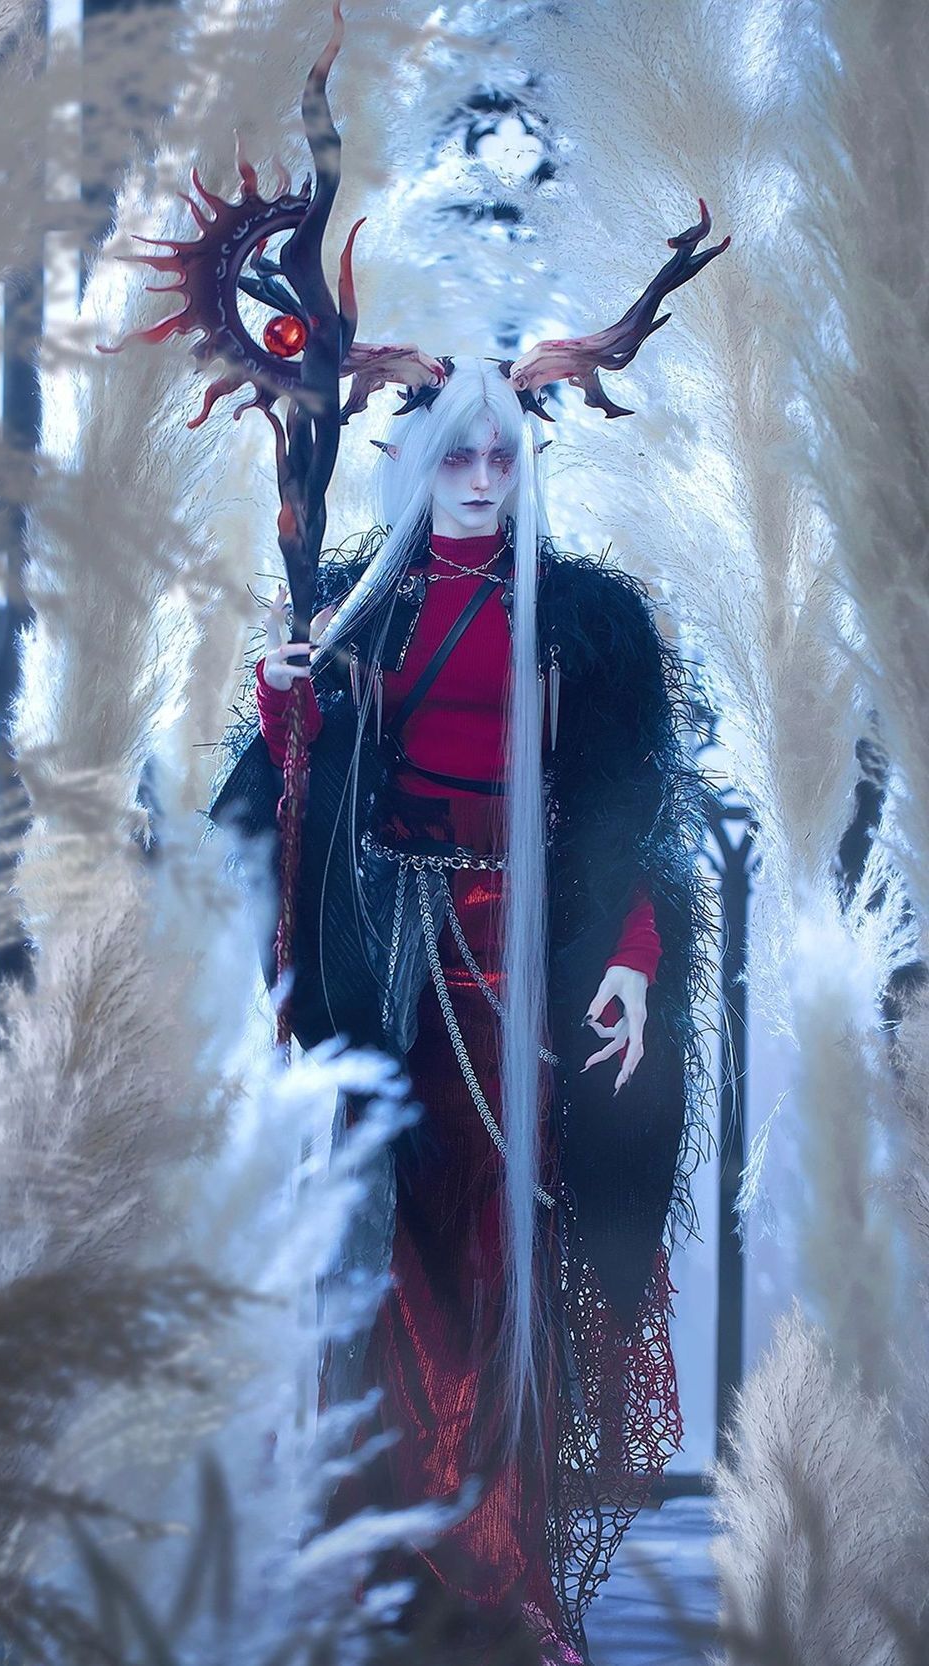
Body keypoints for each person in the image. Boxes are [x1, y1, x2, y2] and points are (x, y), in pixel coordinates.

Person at [210, 357, 713, 1664]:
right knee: (385, 1242)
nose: (482, 478)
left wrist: (631, 959)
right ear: (420, 463)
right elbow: (295, 778)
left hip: (521, 955)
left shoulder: (582, 618)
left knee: (502, 1248)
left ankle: (499, 1568)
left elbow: (629, 808)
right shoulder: (362, 608)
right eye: (458, 455)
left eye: (501, 456)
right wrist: (285, 694)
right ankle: (386, 1561)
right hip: (384, 954)